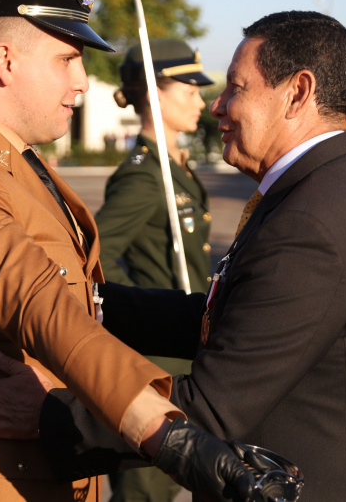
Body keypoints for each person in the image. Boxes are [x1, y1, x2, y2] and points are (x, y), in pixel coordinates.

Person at [0, 11, 346, 502]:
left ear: (297, 92)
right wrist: (95, 302)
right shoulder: (327, 188)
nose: (217, 107)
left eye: (236, 88)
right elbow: (230, 319)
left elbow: (209, 411)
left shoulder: (310, 223)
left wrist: (49, 413)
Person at [0, 0, 255, 502]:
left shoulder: (15, 162)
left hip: (39, 469)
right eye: (67, 59)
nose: (82, 80)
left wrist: (222, 319)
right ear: (4, 60)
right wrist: (175, 439)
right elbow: (38, 303)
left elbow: (88, 298)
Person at [97, 39, 214, 501]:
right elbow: (93, 260)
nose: (202, 100)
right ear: (154, 93)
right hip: (153, 369)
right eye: (189, 90)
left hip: (187, 364)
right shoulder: (144, 174)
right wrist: (137, 317)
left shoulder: (175, 167)